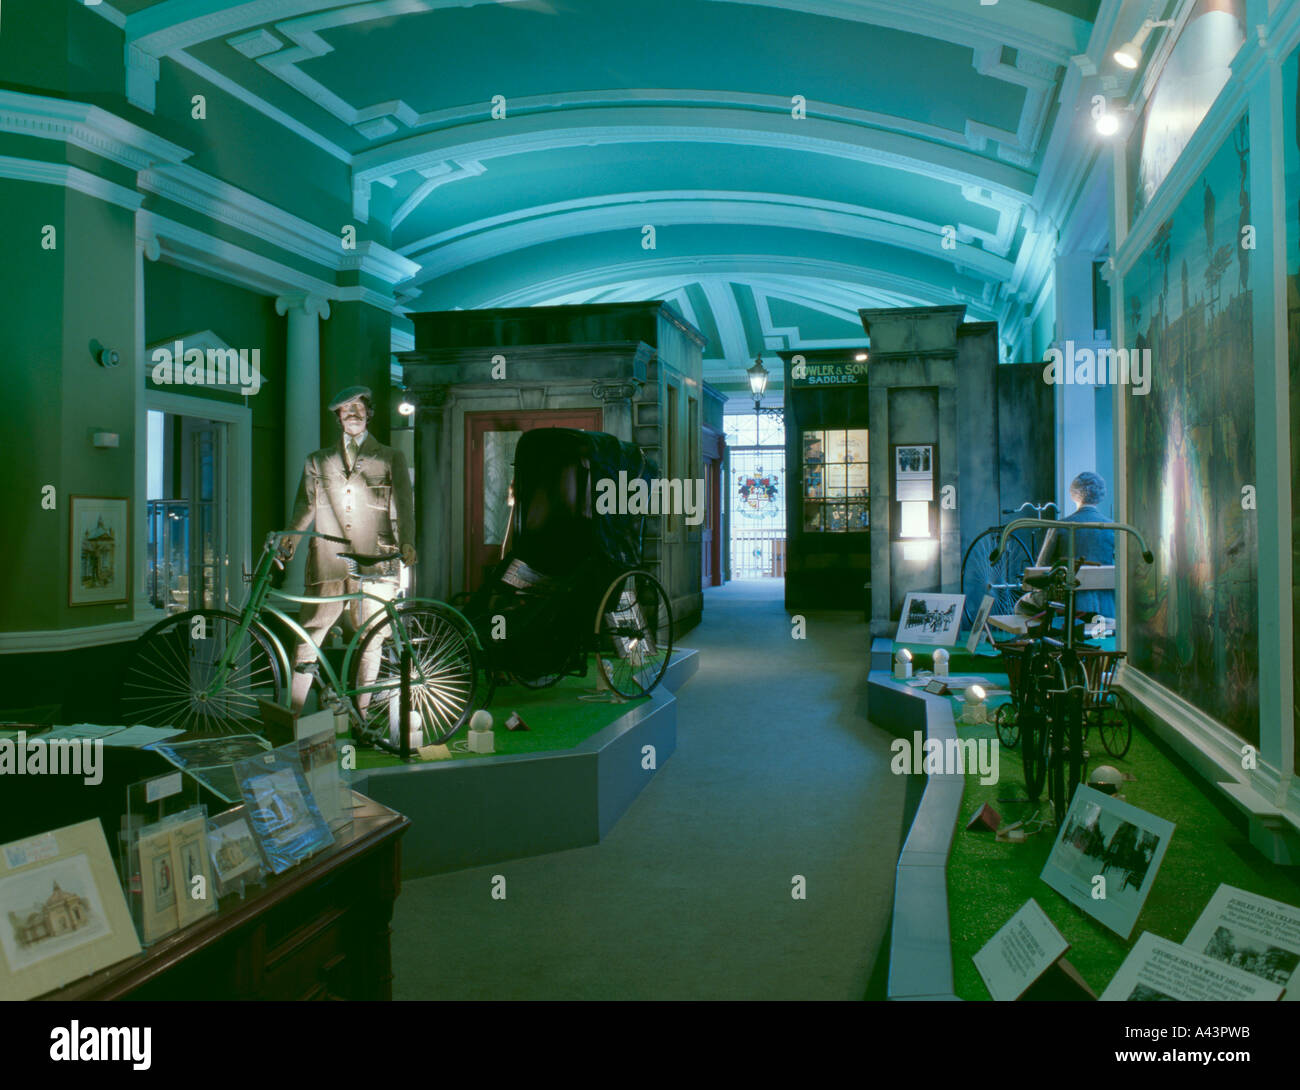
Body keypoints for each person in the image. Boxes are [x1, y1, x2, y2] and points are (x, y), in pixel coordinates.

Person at [281, 386, 417, 713]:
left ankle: (362, 716)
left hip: (376, 561)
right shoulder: (318, 461)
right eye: (345, 409)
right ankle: (293, 719)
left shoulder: (390, 457)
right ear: (338, 417)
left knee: (371, 640)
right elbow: (305, 506)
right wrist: (291, 539)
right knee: (307, 640)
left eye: (358, 407)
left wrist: (407, 541)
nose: (352, 413)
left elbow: (405, 505)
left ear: (368, 413)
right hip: (328, 563)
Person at [1052, 471, 1115, 620]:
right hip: (1106, 608)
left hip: (1069, 609)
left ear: (1073, 493)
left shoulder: (1059, 526)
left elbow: (1041, 567)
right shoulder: (1113, 528)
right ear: (1100, 495)